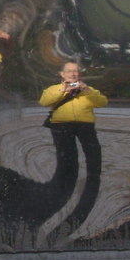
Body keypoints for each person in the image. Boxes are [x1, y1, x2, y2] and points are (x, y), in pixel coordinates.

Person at [38, 60, 108, 237]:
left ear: (80, 75)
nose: (73, 75)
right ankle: (66, 178)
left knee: (93, 152)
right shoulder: (54, 89)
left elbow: (102, 102)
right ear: (62, 74)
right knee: (67, 156)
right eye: (69, 72)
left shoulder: (87, 90)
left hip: (85, 126)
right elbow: (44, 101)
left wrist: (87, 90)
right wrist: (63, 91)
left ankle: (94, 175)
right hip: (61, 125)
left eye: (76, 72)